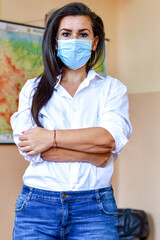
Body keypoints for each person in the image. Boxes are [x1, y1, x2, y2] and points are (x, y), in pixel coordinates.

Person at [11, 2, 132, 240]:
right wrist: (92, 154)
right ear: (56, 42)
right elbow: (31, 149)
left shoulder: (112, 89)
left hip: (94, 207)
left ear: (95, 42)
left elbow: (108, 139)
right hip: (37, 207)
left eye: (83, 34)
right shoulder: (32, 89)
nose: (74, 39)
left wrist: (50, 138)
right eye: (66, 34)